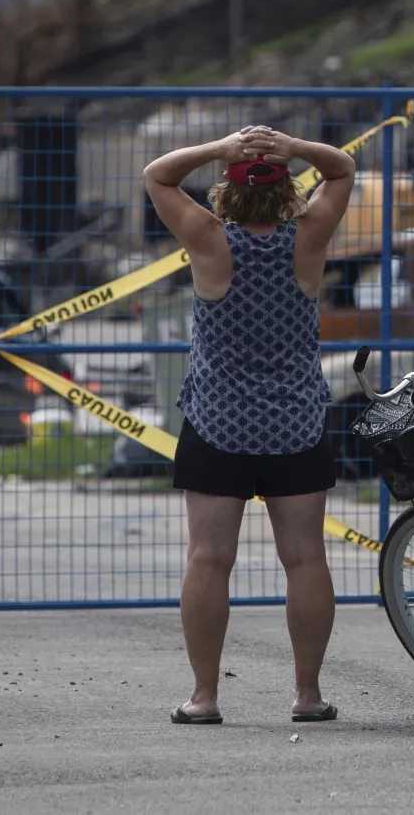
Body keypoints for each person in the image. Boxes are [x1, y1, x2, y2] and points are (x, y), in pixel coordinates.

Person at [143, 124, 357, 726]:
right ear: (288, 191)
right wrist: (293, 146)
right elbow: (342, 169)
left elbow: (156, 175)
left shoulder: (208, 239)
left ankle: (205, 697)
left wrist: (218, 149)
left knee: (209, 559)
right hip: (295, 422)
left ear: (226, 194)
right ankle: (308, 695)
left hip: (217, 422)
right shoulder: (307, 238)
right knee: (305, 559)